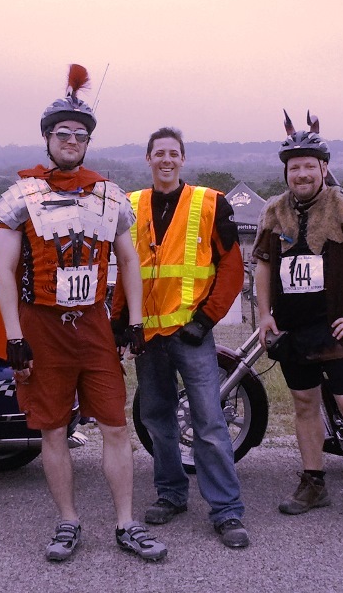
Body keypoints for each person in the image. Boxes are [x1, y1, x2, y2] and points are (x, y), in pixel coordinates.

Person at [0, 64, 166, 562]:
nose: (71, 140)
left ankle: (125, 523)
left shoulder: (109, 194)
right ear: (48, 138)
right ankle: (67, 520)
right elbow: (4, 271)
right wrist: (14, 336)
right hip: (42, 326)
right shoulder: (20, 196)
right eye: (62, 133)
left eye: (79, 135)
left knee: (115, 425)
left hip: (93, 324)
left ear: (87, 142)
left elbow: (130, 260)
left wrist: (134, 321)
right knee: (53, 429)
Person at [252, 112, 343, 539]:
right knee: (303, 404)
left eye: (309, 166)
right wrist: (264, 313)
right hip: (294, 330)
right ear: (286, 172)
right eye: (294, 167)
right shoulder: (275, 211)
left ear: (324, 167)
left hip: (337, 329)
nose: (302, 174)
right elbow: (262, 264)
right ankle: (314, 483)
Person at [110, 126, 249, 549]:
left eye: (173, 153)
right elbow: (124, 269)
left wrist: (205, 320)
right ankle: (171, 494)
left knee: (209, 422)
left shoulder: (210, 203)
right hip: (148, 335)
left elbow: (232, 268)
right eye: (159, 153)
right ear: (148, 159)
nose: (166, 160)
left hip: (192, 333)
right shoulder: (130, 205)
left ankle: (226, 510)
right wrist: (120, 323)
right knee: (157, 420)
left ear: (183, 159)